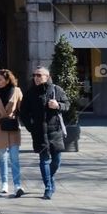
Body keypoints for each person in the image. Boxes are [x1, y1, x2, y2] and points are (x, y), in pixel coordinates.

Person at [20, 65, 70, 200]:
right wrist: (31, 127)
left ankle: (49, 177)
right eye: (34, 75)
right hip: (39, 133)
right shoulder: (30, 93)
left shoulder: (56, 90)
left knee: (57, 161)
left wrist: (58, 105)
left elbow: (67, 105)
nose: (36, 78)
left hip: (55, 132)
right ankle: (48, 187)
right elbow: (23, 113)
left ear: (47, 77)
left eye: (39, 75)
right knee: (44, 161)